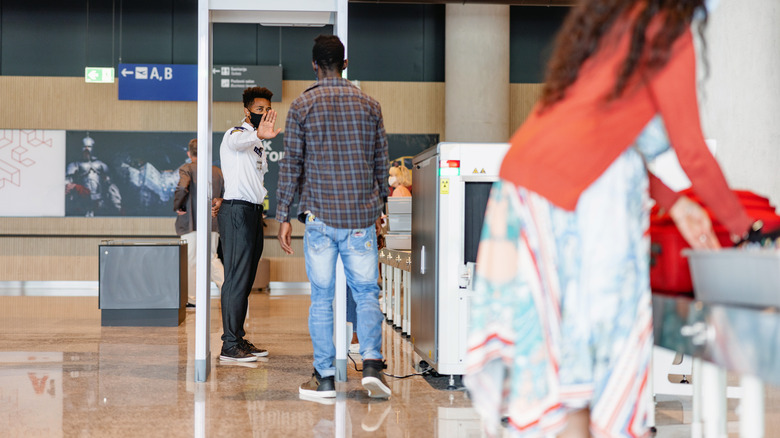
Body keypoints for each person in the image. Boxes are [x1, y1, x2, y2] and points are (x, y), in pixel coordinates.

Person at [464, 1, 764, 437]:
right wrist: (750, 232)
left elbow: (600, 140)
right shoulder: (666, 29)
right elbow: (693, 151)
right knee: (603, 357)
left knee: (566, 368)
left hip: (524, 193)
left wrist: (674, 202)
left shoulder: (615, 25)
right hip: (579, 203)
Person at [276, 34, 391, 400]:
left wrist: (282, 215)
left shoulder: (302, 106)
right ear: (344, 63)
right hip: (360, 217)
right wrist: (381, 209)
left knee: (322, 298)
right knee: (367, 292)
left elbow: (291, 166)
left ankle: (324, 377)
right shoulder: (370, 105)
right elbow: (381, 165)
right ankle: (372, 364)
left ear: (314, 65)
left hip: (320, 218)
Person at [216, 86, 281, 363]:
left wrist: (261, 211)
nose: (264, 114)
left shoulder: (257, 144)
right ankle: (229, 345)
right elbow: (237, 143)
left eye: (267, 109)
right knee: (235, 279)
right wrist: (257, 132)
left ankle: (238, 338)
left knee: (246, 280)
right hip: (236, 212)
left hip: (253, 213)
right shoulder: (236, 134)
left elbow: (258, 181)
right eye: (259, 110)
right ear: (247, 111)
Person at [173, 138, 225, 308]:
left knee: (191, 260)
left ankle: (192, 299)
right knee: (212, 258)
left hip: (190, 223)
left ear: (189, 153)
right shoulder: (217, 172)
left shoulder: (187, 168)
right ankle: (228, 291)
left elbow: (182, 188)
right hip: (213, 222)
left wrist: (178, 206)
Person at [65, 135, 122, 217]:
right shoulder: (74, 165)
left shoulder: (102, 165)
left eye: (89, 146)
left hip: (99, 202)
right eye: (84, 146)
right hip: (81, 202)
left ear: (93, 148)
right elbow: (68, 182)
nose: (86, 149)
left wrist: (117, 204)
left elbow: (110, 185)